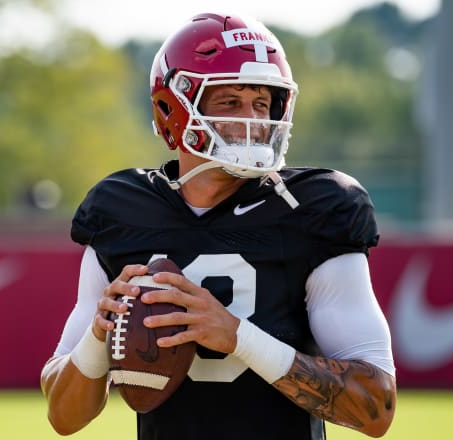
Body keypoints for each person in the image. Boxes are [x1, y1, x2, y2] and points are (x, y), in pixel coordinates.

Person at [41, 12, 396, 440]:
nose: (254, 120)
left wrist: (239, 338)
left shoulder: (314, 208)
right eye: (230, 102)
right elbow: (63, 417)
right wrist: (99, 338)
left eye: (262, 103)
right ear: (175, 107)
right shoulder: (121, 210)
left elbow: (376, 408)